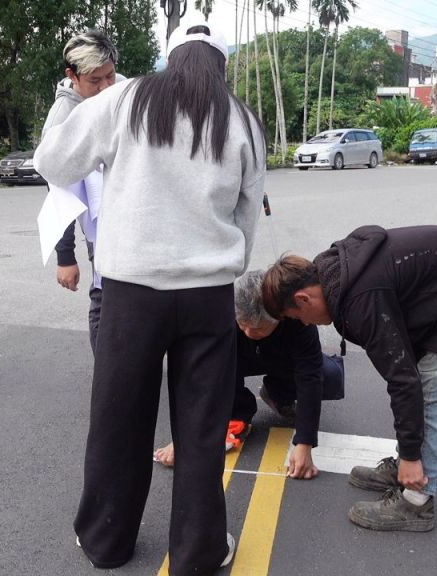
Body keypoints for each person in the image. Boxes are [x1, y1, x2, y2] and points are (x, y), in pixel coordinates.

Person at [35, 23, 265, 575]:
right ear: (221, 65)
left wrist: (68, 95)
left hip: (131, 292)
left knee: (119, 418)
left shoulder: (125, 98)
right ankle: (199, 550)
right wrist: (227, 266)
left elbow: (53, 162)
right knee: (202, 426)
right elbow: (246, 212)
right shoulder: (241, 119)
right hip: (208, 294)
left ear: (170, 59)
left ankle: (106, 540)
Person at [261, 225, 437, 532]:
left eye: (296, 317)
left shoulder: (360, 301)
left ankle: (417, 500)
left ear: (303, 299)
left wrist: (410, 455)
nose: (303, 324)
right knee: (422, 380)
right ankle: (408, 467)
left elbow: (402, 379)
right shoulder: (331, 274)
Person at [153, 270, 344, 480]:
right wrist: (184, 438)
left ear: (279, 316)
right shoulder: (220, 309)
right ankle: (237, 411)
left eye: (258, 328)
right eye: (243, 325)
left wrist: (305, 443)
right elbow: (198, 376)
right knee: (214, 365)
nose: (249, 333)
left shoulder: (296, 318)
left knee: (330, 376)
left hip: (283, 359)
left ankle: (279, 393)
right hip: (236, 360)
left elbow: (310, 376)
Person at [40, 29, 124, 351]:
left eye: (110, 76)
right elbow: (59, 193)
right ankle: (107, 369)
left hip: (128, 213)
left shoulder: (119, 90)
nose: (105, 87)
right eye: (94, 80)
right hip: (99, 225)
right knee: (105, 292)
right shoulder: (62, 118)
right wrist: (65, 257)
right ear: (72, 76)